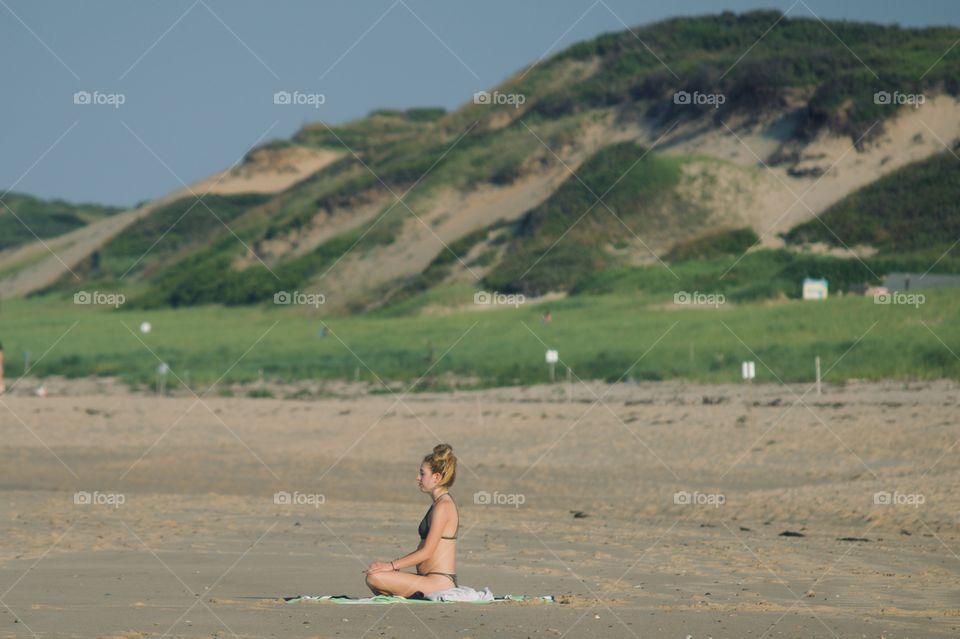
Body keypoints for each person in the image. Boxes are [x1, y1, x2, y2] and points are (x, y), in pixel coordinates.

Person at [365, 444, 459, 597]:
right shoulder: (438, 504)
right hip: (427, 579)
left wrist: (390, 566)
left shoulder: (444, 506)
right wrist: (392, 567)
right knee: (375, 577)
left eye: (422, 474)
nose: (418, 478)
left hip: (440, 583)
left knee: (375, 577)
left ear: (436, 477)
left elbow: (427, 552)